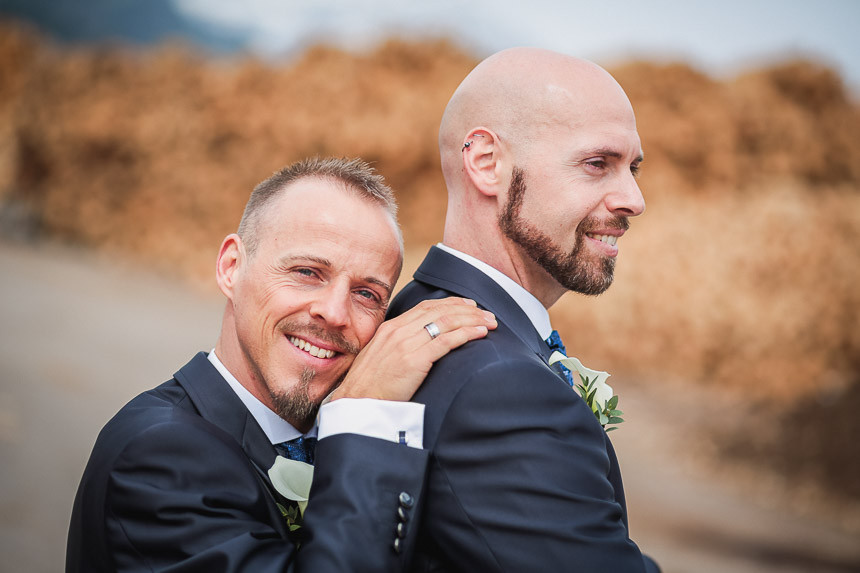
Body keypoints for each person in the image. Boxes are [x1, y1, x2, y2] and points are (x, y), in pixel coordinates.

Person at [66, 157, 497, 572]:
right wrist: (366, 418)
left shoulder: (358, 434)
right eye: (308, 272)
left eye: (367, 294)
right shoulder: (157, 455)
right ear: (232, 267)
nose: (335, 312)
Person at [387, 48, 660, 571]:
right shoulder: (501, 386)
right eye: (597, 163)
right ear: (487, 163)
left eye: (633, 168)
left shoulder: (420, 308)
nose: (633, 198)